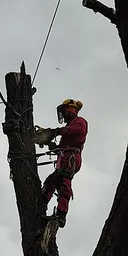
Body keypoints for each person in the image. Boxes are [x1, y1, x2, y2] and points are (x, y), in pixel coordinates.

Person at [42, 98, 88, 228]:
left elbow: (76, 131)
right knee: (51, 180)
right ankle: (42, 201)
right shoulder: (69, 127)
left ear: (70, 110)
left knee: (63, 182)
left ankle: (61, 214)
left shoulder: (80, 122)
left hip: (72, 157)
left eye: (64, 111)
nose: (62, 115)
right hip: (65, 157)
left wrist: (56, 131)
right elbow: (62, 147)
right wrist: (51, 144)